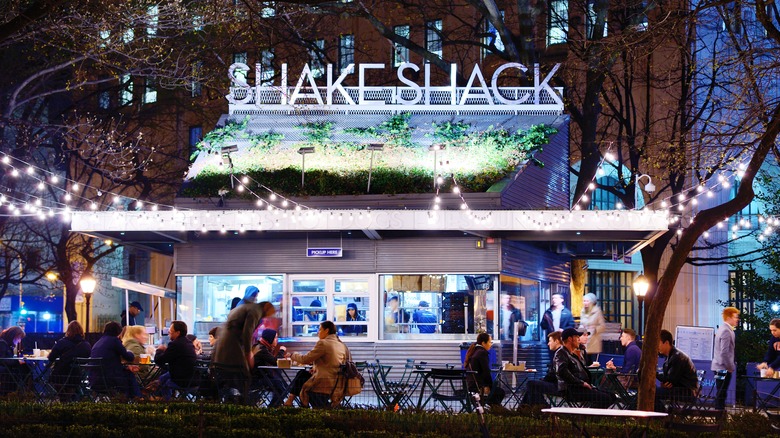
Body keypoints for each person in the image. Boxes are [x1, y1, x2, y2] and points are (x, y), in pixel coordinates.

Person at [212, 301, 275, 399]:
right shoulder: (256, 311)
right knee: (245, 377)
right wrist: (248, 353)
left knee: (228, 379)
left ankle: (229, 402)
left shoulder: (246, 307)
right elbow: (247, 332)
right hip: (232, 347)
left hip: (222, 348)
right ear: (266, 307)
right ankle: (242, 405)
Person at [289, 321, 348, 408]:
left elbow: (305, 359)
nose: (318, 332)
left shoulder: (323, 343)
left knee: (302, 377)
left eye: (320, 329)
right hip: (336, 381)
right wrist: (315, 367)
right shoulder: (341, 344)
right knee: (303, 375)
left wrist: (292, 355)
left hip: (323, 381)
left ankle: (293, 402)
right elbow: (330, 361)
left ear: (326, 330)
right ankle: (291, 401)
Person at [554, 328, 615, 409]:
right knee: (605, 398)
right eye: (576, 337)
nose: (578, 339)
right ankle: (588, 417)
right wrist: (581, 383)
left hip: (581, 387)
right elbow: (562, 372)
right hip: (571, 389)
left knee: (612, 396)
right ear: (570, 339)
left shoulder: (572, 354)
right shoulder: (561, 353)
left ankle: (590, 415)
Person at [89, 321, 140, 398]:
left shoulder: (98, 342)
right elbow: (129, 357)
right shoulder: (114, 341)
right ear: (118, 332)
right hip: (109, 380)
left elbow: (109, 362)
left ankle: (131, 399)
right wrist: (130, 352)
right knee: (129, 374)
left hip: (95, 380)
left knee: (126, 372)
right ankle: (137, 398)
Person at [656, 329, 698, 411]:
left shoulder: (677, 357)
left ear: (667, 343)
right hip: (682, 390)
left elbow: (671, 380)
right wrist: (666, 382)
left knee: (651, 392)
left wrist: (654, 374)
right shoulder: (672, 356)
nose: (657, 346)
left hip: (685, 392)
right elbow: (669, 380)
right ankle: (663, 414)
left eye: (658, 343)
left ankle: (662, 415)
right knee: (652, 392)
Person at [48, 321, 92, 400]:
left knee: (55, 381)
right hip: (78, 376)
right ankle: (70, 398)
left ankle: (65, 399)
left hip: (61, 375)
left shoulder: (62, 342)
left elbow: (51, 357)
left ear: (68, 330)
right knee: (70, 385)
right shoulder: (86, 345)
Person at [154, 320, 198, 399]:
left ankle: (166, 403)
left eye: (170, 331)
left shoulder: (175, 344)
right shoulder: (188, 343)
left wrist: (159, 350)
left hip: (182, 380)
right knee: (163, 377)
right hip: (192, 378)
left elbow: (160, 360)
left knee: (165, 383)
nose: (168, 333)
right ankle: (155, 393)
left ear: (178, 333)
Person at [464, 333, 505, 406]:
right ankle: (491, 410)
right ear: (483, 343)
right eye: (489, 342)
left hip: (471, 386)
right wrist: (489, 386)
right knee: (500, 392)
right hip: (478, 387)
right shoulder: (482, 353)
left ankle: (489, 409)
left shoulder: (474, 351)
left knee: (497, 393)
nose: (491, 344)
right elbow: (486, 372)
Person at [522, 331, 562, 406]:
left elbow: (555, 373)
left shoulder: (559, 354)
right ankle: (523, 409)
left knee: (531, 385)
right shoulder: (559, 353)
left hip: (559, 386)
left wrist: (544, 380)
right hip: (559, 384)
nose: (548, 343)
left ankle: (544, 408)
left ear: (556, 341)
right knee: (532, 386)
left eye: (550, 341)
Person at [252, 328, 287, 407]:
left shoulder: (260, 346)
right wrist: (281, 351)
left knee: (281, 384)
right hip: (258, 379)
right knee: (281, 388)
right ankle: (273, 408)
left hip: (263, 377)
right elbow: (276, 362)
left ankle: (274, 407)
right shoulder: (261, 349)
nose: (277, 340)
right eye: (275, 338)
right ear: (269, 338)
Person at [712, 307, 739, 410]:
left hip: (720, 366)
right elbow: (724, 352)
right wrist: (730, 366)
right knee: (722, 392)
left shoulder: (723, 329)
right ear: (728, 317)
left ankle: (719, 415)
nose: (737, 319)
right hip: (722, 367)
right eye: (735, 317)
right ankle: (719, 416)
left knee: (721, 391)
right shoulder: (726, 331)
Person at [0, 326, 27, 395]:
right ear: (13, 336)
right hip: (4, 371)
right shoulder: (2, 344)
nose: (19, 341)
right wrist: (17, 362)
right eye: (19, 338)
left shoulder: (6, 344)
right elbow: (3, 360)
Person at [579, 293, 605, 363]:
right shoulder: (582, 311)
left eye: (587, 301)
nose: (585, 303)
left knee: (591, 362)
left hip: (593, 341)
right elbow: (581, 323)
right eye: (584, 301)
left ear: (592, 302)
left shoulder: (597, 311)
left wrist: (595, 329)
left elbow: (602, 326)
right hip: (585, 340)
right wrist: (581, 327)